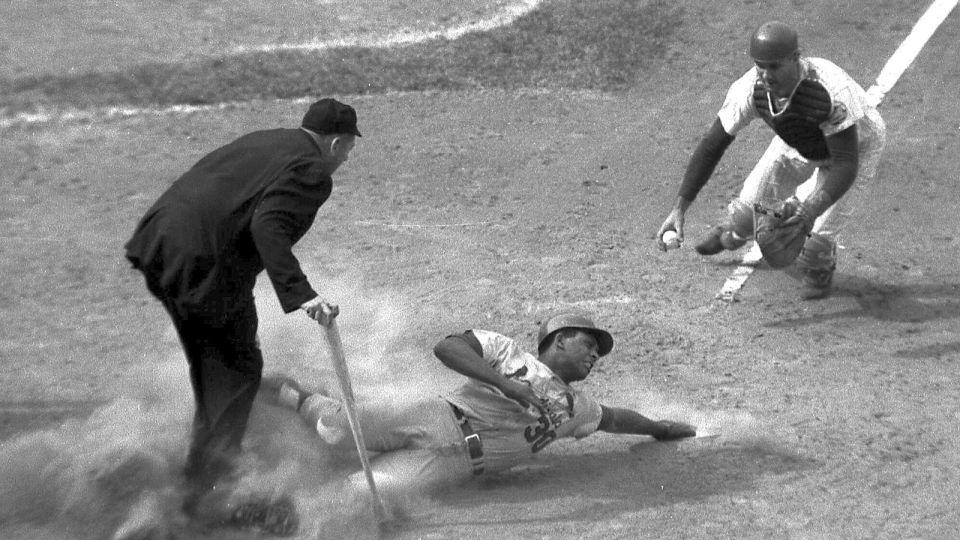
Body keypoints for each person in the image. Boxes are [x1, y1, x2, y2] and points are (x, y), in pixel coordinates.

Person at [124, 97, 358, 531]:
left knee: (217, 368)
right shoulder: (313, 172)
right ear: (335, 143)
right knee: (238, 369)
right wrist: (301, 293)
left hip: (159, 242)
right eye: (347, 149)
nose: (346, 158)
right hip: (203, 263)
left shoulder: (266, 141)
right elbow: (267, 225)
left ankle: (195, 483)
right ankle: (208, 497)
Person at [262, 312, 696, 519]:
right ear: (560, 340)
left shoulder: (575, 407)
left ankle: (264, 505)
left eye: (598, 354)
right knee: (335, 430)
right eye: (588, 345)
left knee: (363, 494)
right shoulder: (507, 352)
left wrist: (659, 428)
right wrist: (507, 384)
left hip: (451, 465)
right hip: (436, 416)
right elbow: (448, 347)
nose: (594, 356)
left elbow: (616, 419)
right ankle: (294, 394)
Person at [655, 20, 886, 299]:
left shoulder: (830, 92)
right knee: (747, 213)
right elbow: (712, 145)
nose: (765, 74)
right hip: (799, 141)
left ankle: (820, 266)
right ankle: (734, 234)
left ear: (795, 58)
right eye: (759, 65)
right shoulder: (750, 89)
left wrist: (811, 208)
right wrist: (679, 208)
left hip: (857, 146)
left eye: (774, 66)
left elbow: (846, 163)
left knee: (814, 244)